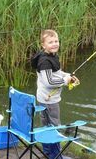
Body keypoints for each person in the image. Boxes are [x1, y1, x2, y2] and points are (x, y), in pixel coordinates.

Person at [31, 29, 79, 159]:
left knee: (46, 125)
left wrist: (66, 75)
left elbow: (56, 73)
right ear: (43, 45)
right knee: (54, 127)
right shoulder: (45, 61)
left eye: (56, 41)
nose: (54, 44)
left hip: (44, 97)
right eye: (50, 42)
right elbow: (49, 81)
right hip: (49, 100)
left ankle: (47, 152)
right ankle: (56, 155)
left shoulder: (51, 56)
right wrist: (65, 80)